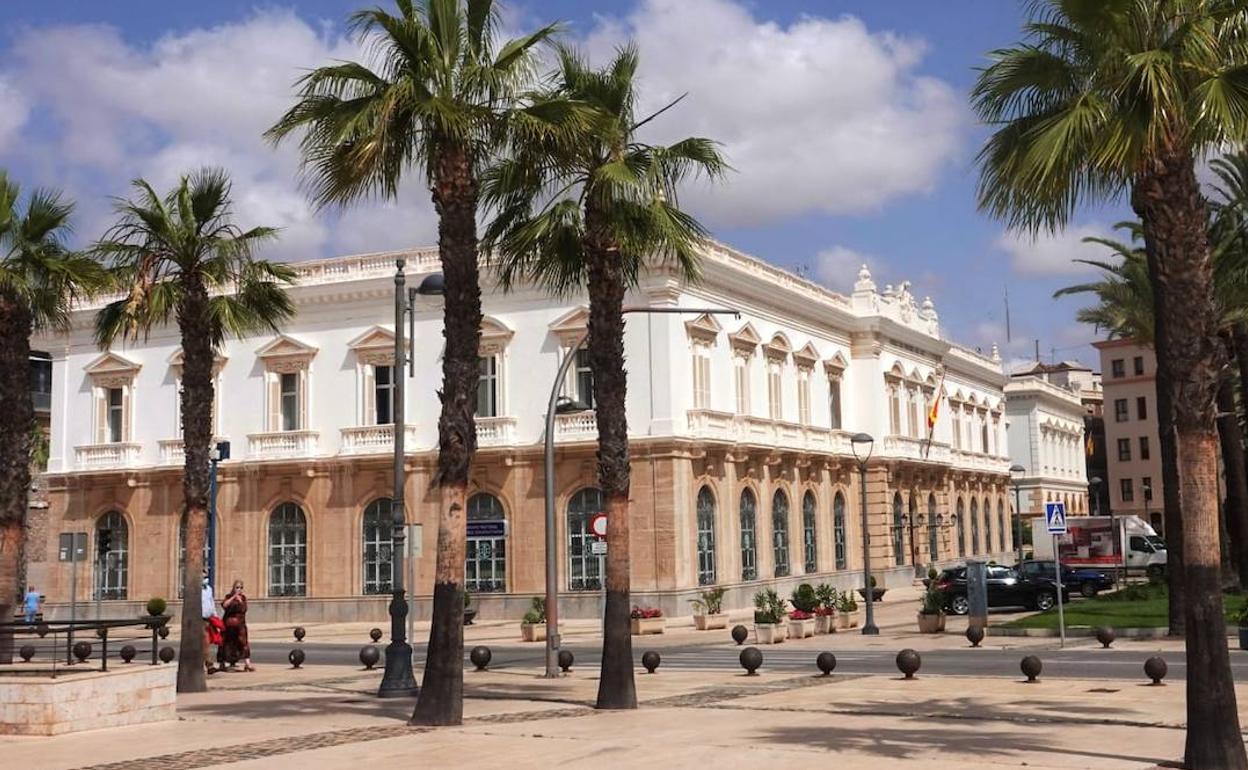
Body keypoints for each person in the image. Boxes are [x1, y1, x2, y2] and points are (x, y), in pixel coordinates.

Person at [219, 579, 254, 672]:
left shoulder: (243, 598)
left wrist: (240, 600)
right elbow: (224, 605)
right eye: (237, 587)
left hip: (240, 624)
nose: (239, 589)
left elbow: (244, 609)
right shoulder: (228, 597)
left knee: (243, 642)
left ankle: (247, 664)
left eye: (241, 588)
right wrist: (233, 597)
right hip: (228, 623)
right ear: (233, 588)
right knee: (225, 642)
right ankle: (222, 663)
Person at [201, 571, 219, 674]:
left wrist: (215, 616)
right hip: (199, 619)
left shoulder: (208, 589)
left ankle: (205, 664)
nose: (205, 579)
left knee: (206, 642)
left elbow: (211, 603)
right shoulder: (196, 590)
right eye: (203, 577)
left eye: (205, 577)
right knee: (205, 641)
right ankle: (209, 664)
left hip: (208, 619)